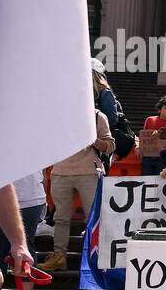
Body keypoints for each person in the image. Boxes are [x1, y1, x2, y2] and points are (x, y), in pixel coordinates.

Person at [43, 109, 114, 273]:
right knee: (60, 218)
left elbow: (110, 146)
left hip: (89, 170)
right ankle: (59, 256)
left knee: (93, 218)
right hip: (60, 171)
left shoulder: (97, 115)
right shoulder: (57, 115)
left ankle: (94, 257)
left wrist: (93, 140)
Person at [140, 97, 166, 176]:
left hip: (165, 158)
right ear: (159, 110)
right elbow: (144, 136)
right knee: (146, 178)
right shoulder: (150, 120)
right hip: (148, 157)